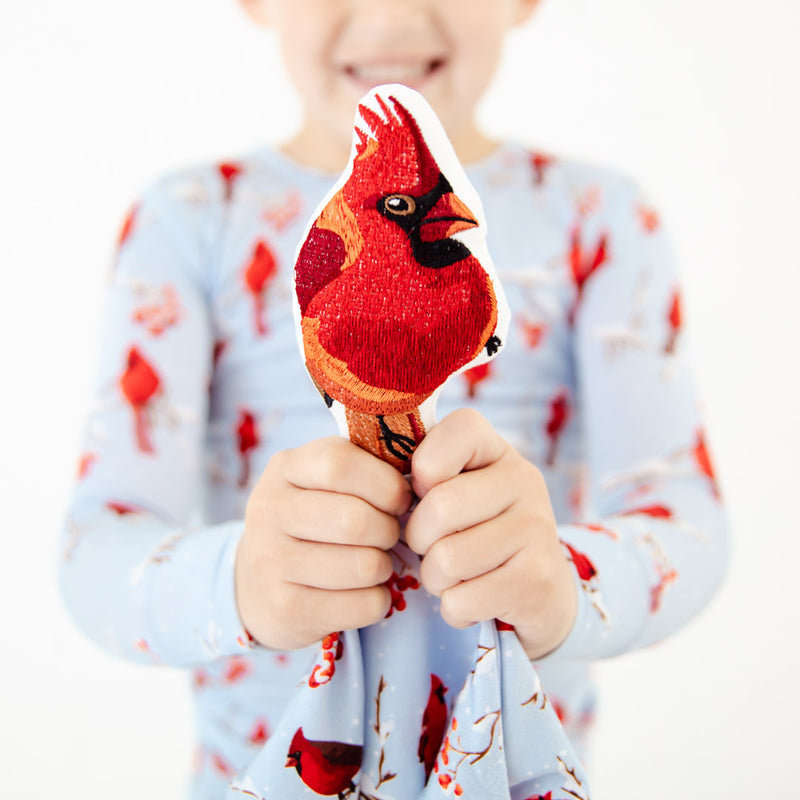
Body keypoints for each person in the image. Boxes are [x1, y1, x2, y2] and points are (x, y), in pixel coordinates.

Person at [58, 0, 731, 797]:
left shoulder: (597, 219)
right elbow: (96, 548)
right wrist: (240, 582)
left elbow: (684, 515)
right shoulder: (191, 221)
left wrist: (562, 583)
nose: (389, 12)